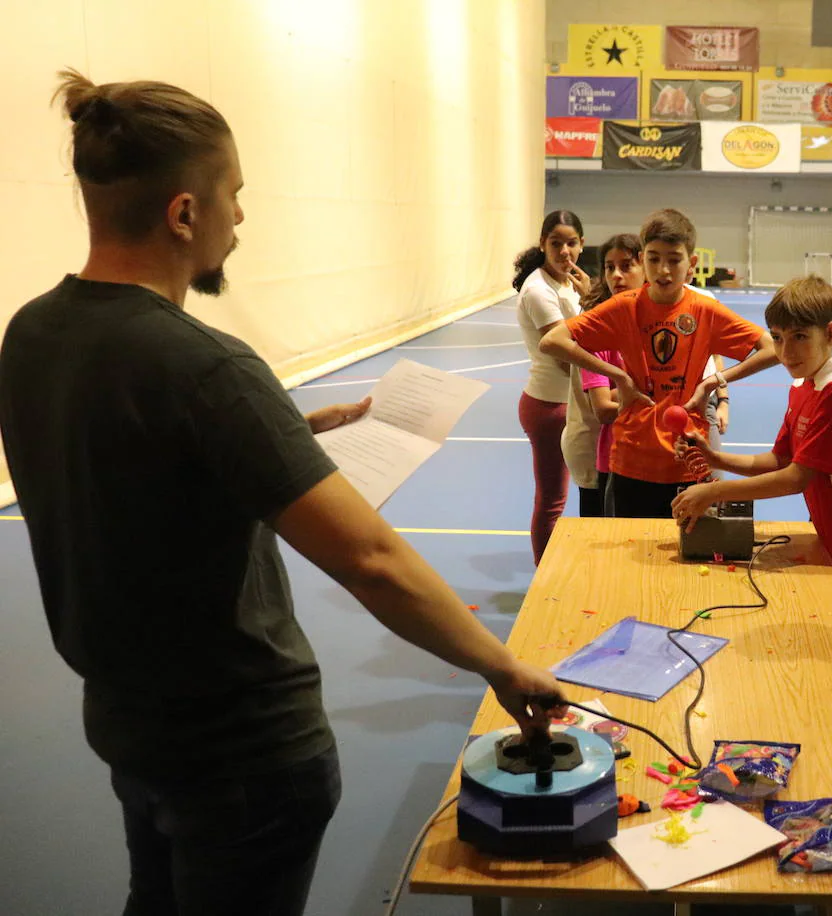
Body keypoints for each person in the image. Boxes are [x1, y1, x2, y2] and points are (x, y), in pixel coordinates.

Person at [0, 70, 564, 916]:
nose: (240, 217)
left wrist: (282, 432)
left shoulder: (32, 332)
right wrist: (501, 666)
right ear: (184, 213)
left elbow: (133, 457)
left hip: (128, 725)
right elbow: (371, 560)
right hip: (243, 752)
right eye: (234, 195)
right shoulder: (209, 369)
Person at [671, 276, 832, 682]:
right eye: (777, 338)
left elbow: (797, 478)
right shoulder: (802, 384)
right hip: (830, 538)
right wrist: (714, 456)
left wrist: (713, 490)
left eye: (798, 337)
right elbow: (778, 458)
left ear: (831, 334)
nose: (785, 350)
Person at [539, 209, 777, 519]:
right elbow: (552, 341)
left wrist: (713, 381)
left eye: (674, 259)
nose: (663, 270)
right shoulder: (623, 308)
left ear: (690, 264)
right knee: (628, 560)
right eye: (653, 259)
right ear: (643, 259)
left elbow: (771, 349)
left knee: (687, 562)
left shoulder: (705, 310)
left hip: (688, 462)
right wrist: (618, 376)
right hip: (631, 464)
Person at [514, 210, 589, 562]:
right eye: (556, 243)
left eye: (571, 243)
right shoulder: (538, 291)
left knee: (585, 487)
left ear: (582, 245)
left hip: (571, 402)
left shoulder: (568, 284)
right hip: (549, 406)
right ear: (542, 244)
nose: (564, 251)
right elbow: (565, 356)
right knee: (552, 498)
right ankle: (543, 573)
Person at [563, 233, 639, 518]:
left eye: (626, 266)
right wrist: (648, 388)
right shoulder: (596, 332)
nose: (617, 275)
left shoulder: (648, 326)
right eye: (609, 268)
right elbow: (604, 408)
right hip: (594, 445)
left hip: (635, 455)